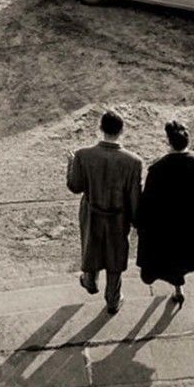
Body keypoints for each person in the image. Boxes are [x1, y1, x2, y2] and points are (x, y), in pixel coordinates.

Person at [136, 121, 194, 305]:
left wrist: (139, 221)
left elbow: (148, 202)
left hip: (168, 225)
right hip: (193, 225)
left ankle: (178, 288)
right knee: (185, 255)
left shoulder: (157, 168)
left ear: (168, 142)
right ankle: (178, 289)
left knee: (172, 257)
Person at [66, 110, 142, 314]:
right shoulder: (133, 162)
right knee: (116, 258)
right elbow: (134, 197)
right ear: (122, 130)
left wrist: (71, 164)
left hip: (92, 213)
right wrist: (136, 221)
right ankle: (113, 300)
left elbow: (75, 186)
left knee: (91, 247)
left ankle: (90, 282)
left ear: (100, 128)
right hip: (118, 217)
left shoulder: (83, 155)